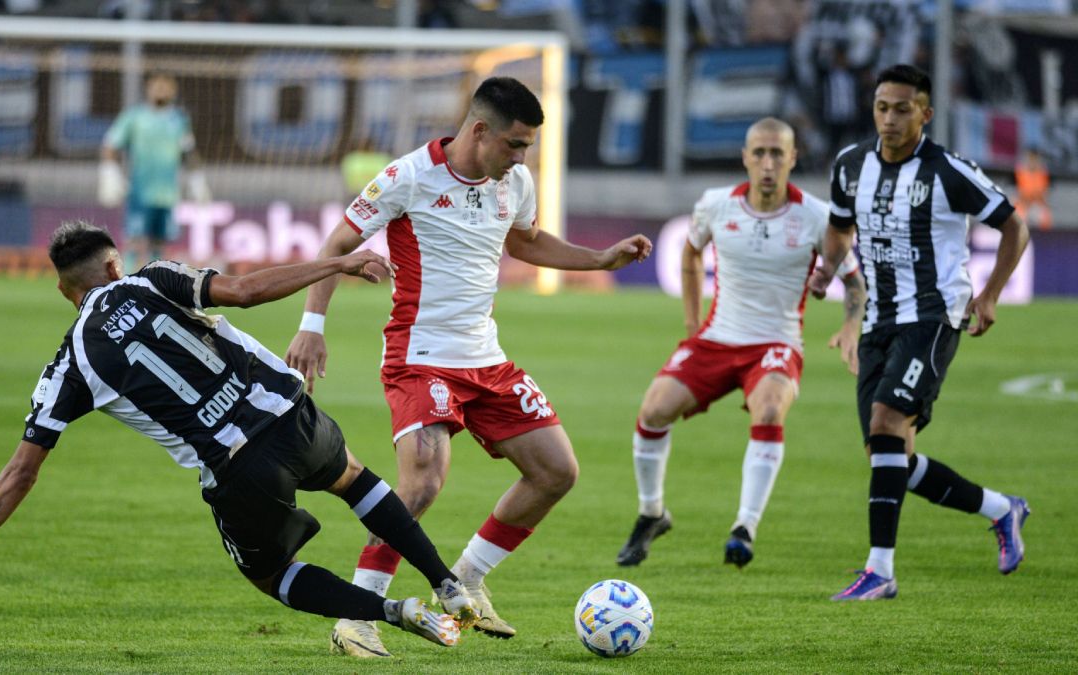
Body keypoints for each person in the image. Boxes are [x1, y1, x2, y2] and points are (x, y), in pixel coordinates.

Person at [0, 220, 481, 652]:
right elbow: (248, 291)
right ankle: (448, 582)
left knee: (270, 574)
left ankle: (396, 610)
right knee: (355, 478)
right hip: (290, 414)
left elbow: (21, 469)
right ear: (112, 266)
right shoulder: (153, 278)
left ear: (65, 293)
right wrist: (335, 264)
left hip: (237, 466)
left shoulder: (69, 365)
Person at [285, 76, 652, 657]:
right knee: (424, 478)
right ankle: (357, 616)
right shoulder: (407, 176)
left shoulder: (516, 180)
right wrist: (312, 326)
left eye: (527, 146)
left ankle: (472, 579)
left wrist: (599, 258)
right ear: (479, 131)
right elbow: (338, 245)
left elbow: (525, 243)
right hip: (420, 357)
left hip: (486, 357)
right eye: (515, 144)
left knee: (557, 470)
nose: (522, 157)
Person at [809, 64, 1031, 601]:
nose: (889, 117)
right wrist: (826, 270)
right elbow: (839, 230)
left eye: (902, 108)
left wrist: (991, 293)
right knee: (889, 457)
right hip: (879, 322)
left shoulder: (949, 171)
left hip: (933, 316)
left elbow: (1014, 225)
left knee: (887, 423)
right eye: (882, 106)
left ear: (925, 114)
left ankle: (880, 571)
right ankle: (1002, 509)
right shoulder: (851, 166)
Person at [615, 117, 866, 569]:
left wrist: (850, 328)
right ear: (745, 158)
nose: (768, 163)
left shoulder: (816, 216)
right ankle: (652, 513)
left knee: (770, 407)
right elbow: (691, 251)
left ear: (792, 158)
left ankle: (744, 527)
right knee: (653, 408)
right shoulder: (716, 205)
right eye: (759, 153)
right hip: (716, 337)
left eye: (777, 154)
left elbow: (854, 281)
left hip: (776, 343)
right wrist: (692, 324)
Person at [99, 73, 211, 272]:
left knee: (159, 242)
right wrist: (110, 173)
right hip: (140, 191)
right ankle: (123, 280)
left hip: (167, 194)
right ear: (148, 89)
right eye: (156, 86)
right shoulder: (134, 116)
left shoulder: (179, 119)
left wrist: (197, 181)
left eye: (165, 86)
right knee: (134, 239)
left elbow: (188, 152)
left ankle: (154, 280)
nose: (160, 90)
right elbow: (110, 144)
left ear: (173, 91)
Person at [1014, 147, 1052, 231]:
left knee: (1045, 217)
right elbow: (1021, 194)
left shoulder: (1042, 172)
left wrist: (1034, 195)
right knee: (1018, 216)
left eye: (1035, 158)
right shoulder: (1020, 171)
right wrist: (1030, 195)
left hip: (1037, 204)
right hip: (1023, 205)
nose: (1032, 161)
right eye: (1030, 158)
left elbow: (1043, 194)